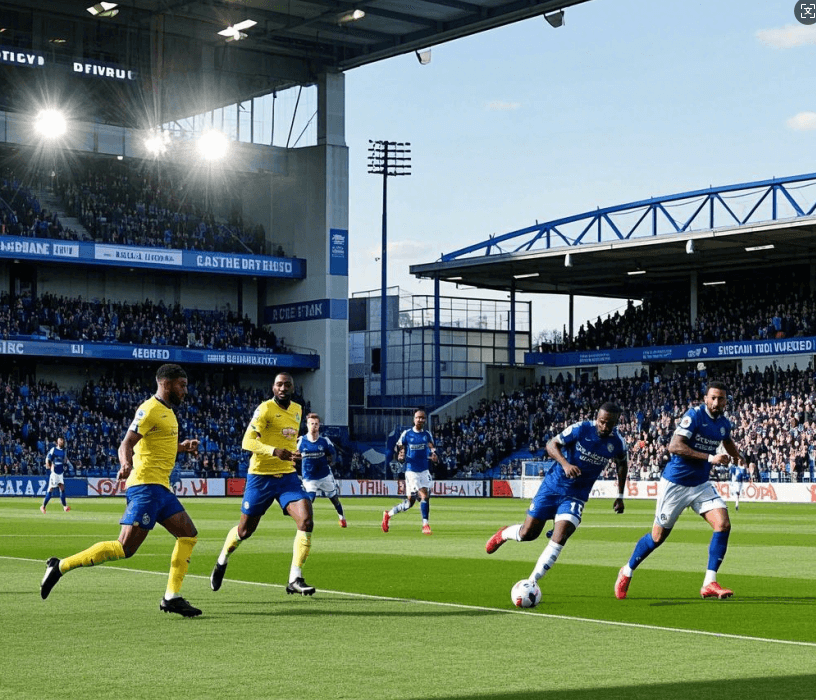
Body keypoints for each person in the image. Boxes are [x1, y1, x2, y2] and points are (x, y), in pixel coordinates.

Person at [40, 364, 203, 617]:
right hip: (145, 487)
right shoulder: (149, 409)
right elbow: (126, 443)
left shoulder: (169, 413)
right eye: (182, 385)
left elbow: (157, 444)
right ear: (167, 384)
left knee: (188, 535)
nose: (185, 390)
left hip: (162, 488)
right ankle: (59, 566)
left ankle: (172, 597)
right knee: (124, 548)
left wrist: (182, 447)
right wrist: (125, 463)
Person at [615, 381, 745, 600]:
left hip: (700, 484)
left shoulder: (723, 423)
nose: (716, 402)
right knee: (657, 537)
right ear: (705, 398)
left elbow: (727, 440)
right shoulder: (693, 416)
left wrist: (739, 457)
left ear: (726, 400)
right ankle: (627, 571)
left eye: (721, 398)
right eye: (712, 397)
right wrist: (711, 458)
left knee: (723, 524)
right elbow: (674, 446)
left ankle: (709, 583)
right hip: (676, 484)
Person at [485, 403, 628, 587]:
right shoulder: (581, 428)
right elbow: (551, 444)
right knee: (528, 533)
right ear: (597, 418)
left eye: (610, 424)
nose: (605, 427)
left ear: (616, 423)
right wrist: (565, 464)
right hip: (552, 486)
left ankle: (532, 582)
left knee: (560, 536)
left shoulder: (617, 442)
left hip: (576, 495)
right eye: (602, 422)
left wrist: (620, 495)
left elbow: (622, 464)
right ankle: (503, 534)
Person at [210, 372, 316, 596]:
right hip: (260, 477)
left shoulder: (297, 410)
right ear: (273, 388)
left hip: (286, 477)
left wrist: (293, 455)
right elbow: (247, 441)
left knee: (306, 520)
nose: (283, 387)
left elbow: (287, 441)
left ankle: (294, 578)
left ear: (292, 388)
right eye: (279, 384)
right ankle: (222, 559)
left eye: (287, 384)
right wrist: (273, 451)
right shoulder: (265, 409)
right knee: (245, 531)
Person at [382, 408, 438, 535]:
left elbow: (432, 448)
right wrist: (400, 454)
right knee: (424, 495)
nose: (420, 419)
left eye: (422, 417)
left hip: (424, 470)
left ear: (425, 420)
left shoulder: (427, 435)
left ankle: (388, 514)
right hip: (411, 471)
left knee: (409, 503)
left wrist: (434, 455)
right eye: (418, 417)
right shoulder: (407, 434)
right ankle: (425, 525)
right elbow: (399, 446)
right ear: (414, 419)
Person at [297, 413, 347, 527]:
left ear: (319, 426)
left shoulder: (325, 441)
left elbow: (333, 454)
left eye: (316, 424)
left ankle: (342, 518)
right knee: (310, 499)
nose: (314, 426)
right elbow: (294, 455)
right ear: (307, 425)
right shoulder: (301, 441)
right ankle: (306, 522)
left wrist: (332, 462)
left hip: (325, 475)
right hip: (309, 477)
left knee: (334, 499)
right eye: (311, 424)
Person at [40, 437, 73, 513]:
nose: (61, 442)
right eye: (60, 441)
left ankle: (65, 506)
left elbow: (64, 460)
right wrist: (49, 465)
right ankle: (43, 506)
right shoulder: (54, 450)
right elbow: (48, 459)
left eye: (62, 440)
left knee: (62, 488)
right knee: (51, 489)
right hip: (54, 473)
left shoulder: (64, 451)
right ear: (57, 442)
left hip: (60, 472)